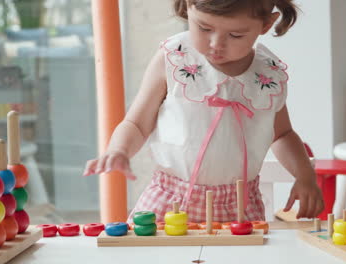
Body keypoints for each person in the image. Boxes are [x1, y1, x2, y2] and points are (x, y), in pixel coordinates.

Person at [84, 0, 324, 223]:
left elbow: (282, 134)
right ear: (189, 6)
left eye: (235, 35)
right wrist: (119, 149)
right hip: (169, 202)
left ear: (266, 24)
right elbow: (137, 124)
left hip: (240, 208)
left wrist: (305, 176)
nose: (216, 44)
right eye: (204, 28)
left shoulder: (267, 75)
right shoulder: (175, 58)